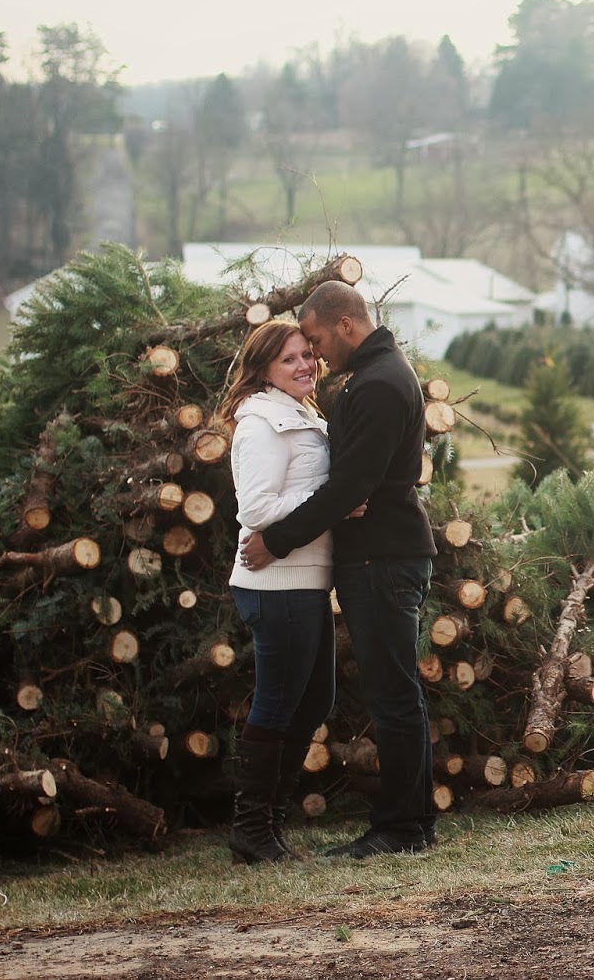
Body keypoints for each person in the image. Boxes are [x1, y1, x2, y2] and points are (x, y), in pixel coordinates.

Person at [240, 280, 439, 858]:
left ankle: (401, 828)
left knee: (392, 696)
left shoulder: (379, 383)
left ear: (346, 324)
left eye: (320, 340)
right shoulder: (373, 376)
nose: (318, 354)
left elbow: (352, 484)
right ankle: (415, 822)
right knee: (397, 692)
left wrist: (276, 540)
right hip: (377, 556)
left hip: (382, 557)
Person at [218, 320, 338, 864]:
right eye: (289, 359)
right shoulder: (262, 421)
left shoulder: (299, 411)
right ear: (264, 367)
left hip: (306, 580)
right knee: (278, 702)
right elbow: (257, 510)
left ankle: (270, 822)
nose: (304, 365)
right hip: (277, 583)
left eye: (307, 355)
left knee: (315, 699)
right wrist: (332, 501)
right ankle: (252, 832)